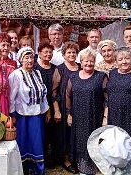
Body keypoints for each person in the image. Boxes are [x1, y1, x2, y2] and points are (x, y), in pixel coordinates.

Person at [9, 47, 50, 175]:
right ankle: (23, 169)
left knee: (36, 142)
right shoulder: (16, 74)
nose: (29, 60)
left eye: (31, 57)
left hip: (37, 114)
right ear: (21, 60)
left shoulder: (37, 73)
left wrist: (47, 110)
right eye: (26, 57)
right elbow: (11, 97)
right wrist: (12, 114)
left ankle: (37, 169)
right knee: (23, 142)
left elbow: (43, 94)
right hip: (22, 115)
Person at [66, 50, 108, 174]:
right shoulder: (73, 77)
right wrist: (69, 114)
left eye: (91, 61)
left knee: (93, 141)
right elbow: (68, 96)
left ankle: (92, 167)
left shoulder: (101, 76)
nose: (89, 63)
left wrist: (105, 117)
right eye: (86, 61)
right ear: (81, 62)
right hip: (78, 116)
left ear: (95, 62)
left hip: (94, 115)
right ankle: (82, 167)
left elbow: (107, 98)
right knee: (79, 141)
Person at [52, 41, 80, 173]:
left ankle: (77, 157)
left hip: (79, 105)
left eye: (74, 52)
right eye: (69, 52)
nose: (71, 54)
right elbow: (54, 92)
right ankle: (66, 159)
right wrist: (57, 110)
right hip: (63, 106)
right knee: (64, 134)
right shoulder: (60, 69)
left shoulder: (81, 67)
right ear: (63, 55)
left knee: (76, 133)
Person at [34, 42, 57, 168]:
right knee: (41, 132)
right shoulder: (35, 68)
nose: (48, 54)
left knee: (52, 132)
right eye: (45, 52)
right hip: (40, 105)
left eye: (50, 52)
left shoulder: (55, 68)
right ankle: (41, 158)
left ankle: (52, 159)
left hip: (53, 103)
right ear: (40, 53)